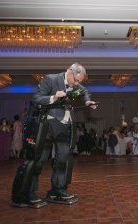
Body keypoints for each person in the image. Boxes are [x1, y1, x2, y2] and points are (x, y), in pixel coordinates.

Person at [29, 63, 97, 204]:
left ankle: (57, 191)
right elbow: (36, 99)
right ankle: (30, 193)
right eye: (76, 80)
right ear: (69, 72)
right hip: (48, 125)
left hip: (65, 126)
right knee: (38, 160)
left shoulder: (77, 84)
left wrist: (87, 101)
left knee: (63, 161)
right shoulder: (51, 79)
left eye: (79, 82)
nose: (77, 84)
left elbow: (84, 91)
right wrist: (53, 97)